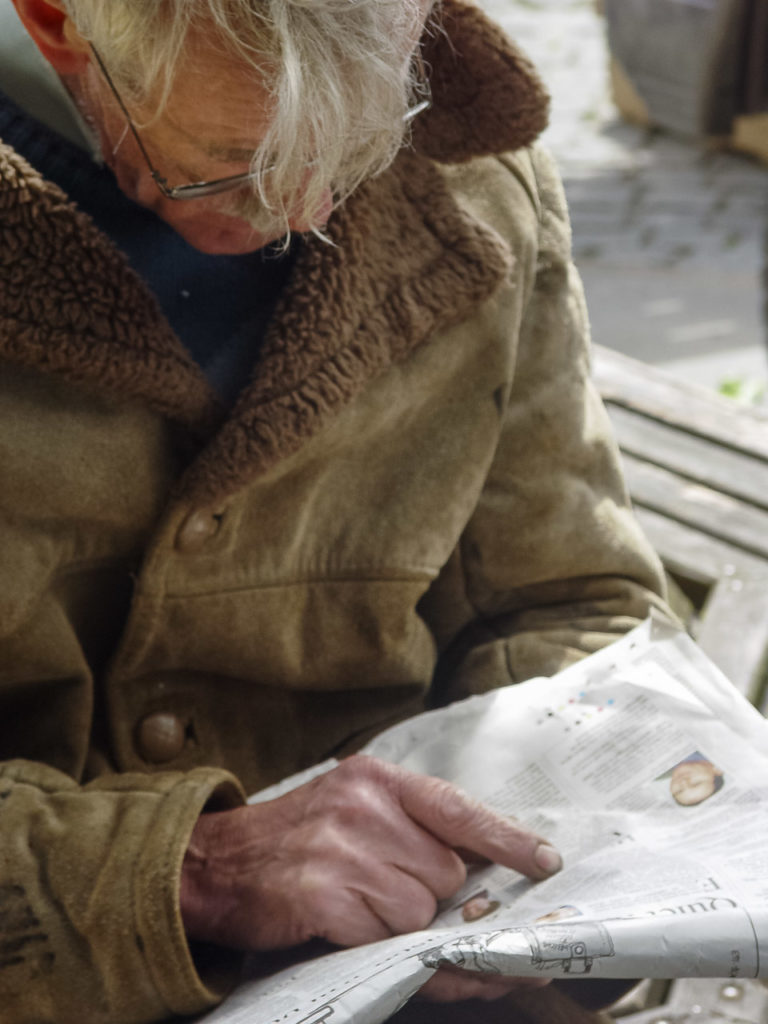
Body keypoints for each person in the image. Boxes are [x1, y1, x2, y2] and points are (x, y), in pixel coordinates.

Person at [0, 0, 670, 1021]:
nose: (304, 209)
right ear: (56, 24)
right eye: (233, 165)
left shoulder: (468, 162)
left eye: (358, 148)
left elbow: (566, 600)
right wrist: (189, 872)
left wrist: (547, 876)